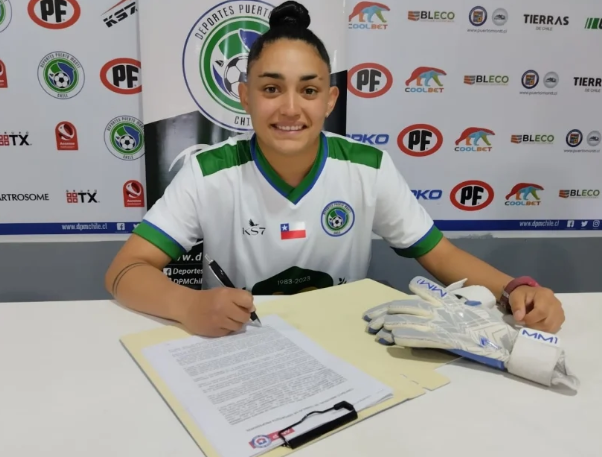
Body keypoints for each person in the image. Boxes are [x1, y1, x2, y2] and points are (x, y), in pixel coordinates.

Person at [104, 1, 565, 338]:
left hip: (345, 348)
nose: (290, 108)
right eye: (271, 88)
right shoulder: (207, 172)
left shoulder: (368, 167)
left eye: (308, 91)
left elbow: (441, 256)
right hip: (239, 346)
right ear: (245, 97)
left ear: (329, 100)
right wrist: (188, 305)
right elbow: (125, 270)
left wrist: (515, 289)